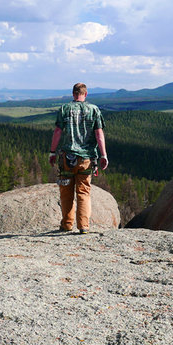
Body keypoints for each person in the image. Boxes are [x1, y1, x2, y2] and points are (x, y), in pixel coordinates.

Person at [49, 83, 108, 233]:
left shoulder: (65, 109)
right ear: (85, 94)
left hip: (67, 158)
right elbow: (99, 134)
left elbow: (57, 132)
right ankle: (83, 226)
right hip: (87, 158)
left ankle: (67, 224)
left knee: (66, 191)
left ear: (73, 94)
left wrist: (52, 152)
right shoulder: (94, 110)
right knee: (83, 192)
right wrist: (103, 155)